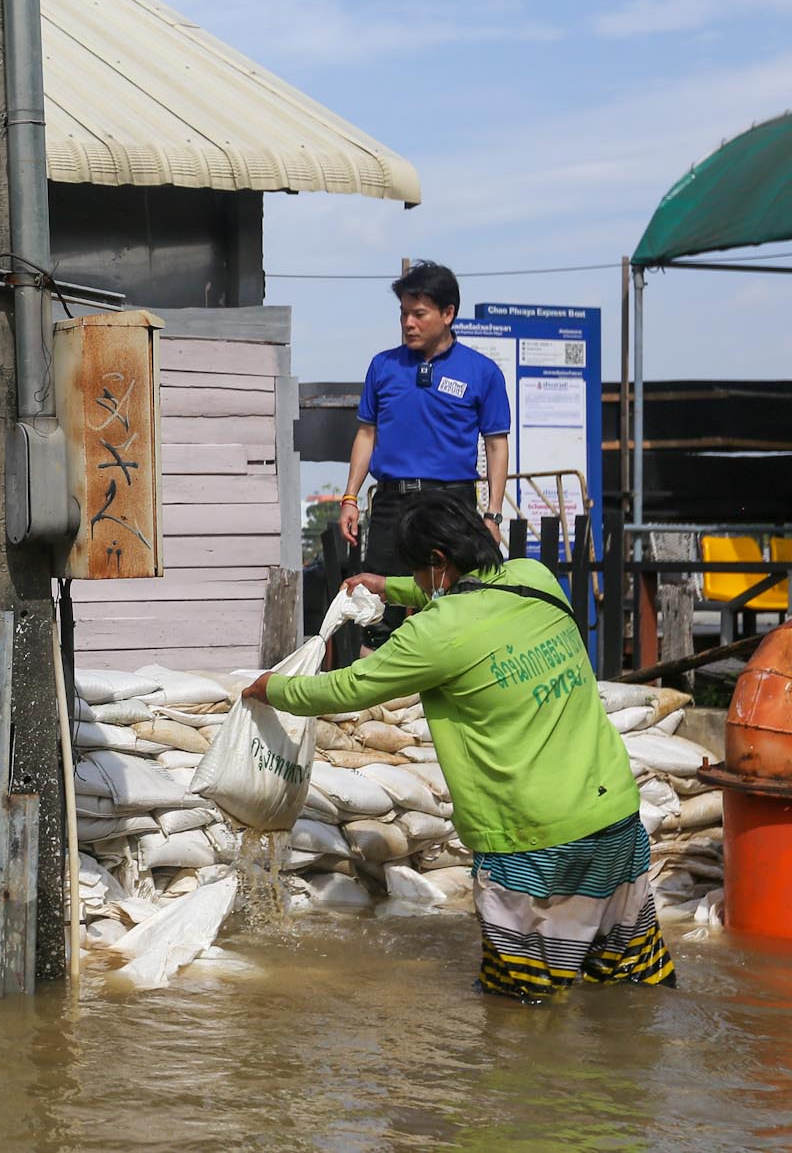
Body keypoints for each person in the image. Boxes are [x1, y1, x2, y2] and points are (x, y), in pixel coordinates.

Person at [245, 491, 675, 1003]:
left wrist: (269, 688)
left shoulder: (433, 635)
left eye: (420, 572)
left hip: (533, 847)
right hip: (615, 825)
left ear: (439, 563)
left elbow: (347, 687)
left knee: (523, 1015)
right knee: (632, 993)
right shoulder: (535, 579)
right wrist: (392, 587)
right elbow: (468, 597)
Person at [339, 261, 511, 641]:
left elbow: (496, 445)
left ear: (448, 314)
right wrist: (350, 497)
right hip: (391, 501)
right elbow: (366, 434)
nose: (408, 324)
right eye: (403, 314)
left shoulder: (481, 372)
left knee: (455, 605)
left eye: (419, 314)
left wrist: (493, 515)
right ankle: (377, 698)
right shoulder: (383, 366)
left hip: (451, 501)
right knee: (376, 611)